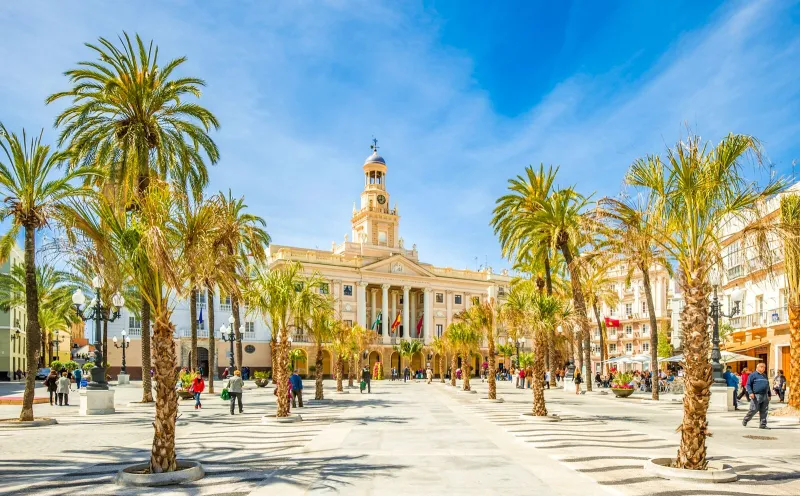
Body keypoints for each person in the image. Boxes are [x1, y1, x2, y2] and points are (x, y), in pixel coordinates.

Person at [743, 362, 772, 429]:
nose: (763, 368)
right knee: (753, 409)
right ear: (757, 367)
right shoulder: (752, 375)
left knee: (764, 410)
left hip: (765, 395)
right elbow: (748, 385)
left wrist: (769, 394)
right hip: (756, 395)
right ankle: (746, 419)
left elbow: (767, 386)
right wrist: (750, 393)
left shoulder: (765, 376)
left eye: (764, 367)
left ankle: (763, 424)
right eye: (761, 366)